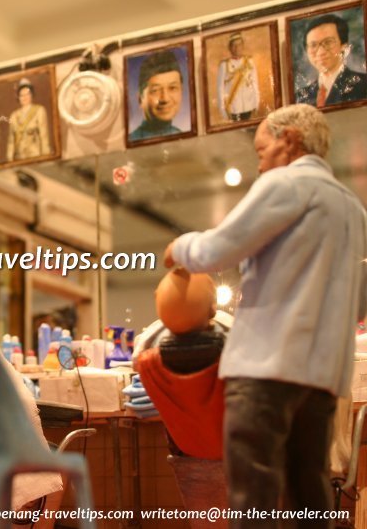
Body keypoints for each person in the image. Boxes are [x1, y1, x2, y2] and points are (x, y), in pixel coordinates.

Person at [163, 104, 367, 527]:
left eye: (261, 149)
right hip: (324, 377)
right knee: (309, 496)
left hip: (268, 368)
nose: (259, 161)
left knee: (252, 495)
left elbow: (218, 249)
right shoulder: (353, 209)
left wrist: (180, 247)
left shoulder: (286, 185)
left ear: (289, 140)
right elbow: (359, 302)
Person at [296, 14, 367, 107]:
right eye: (313, 45)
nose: (321, 52)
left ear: (344, 46)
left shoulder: (363, 84)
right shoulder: (301, 96)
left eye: (328, 42)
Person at [129, 50, 184, 141]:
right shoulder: (133, 140)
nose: (165, 99)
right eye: (155, 90)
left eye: (172, 88)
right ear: (140, 99)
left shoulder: (183, 138)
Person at [217, 32, 260, 122]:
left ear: (243, 46)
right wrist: (222, 108)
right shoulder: (224, 65)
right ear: (230, 48)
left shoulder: (249, 61)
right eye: (234, 45)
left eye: (239, 45)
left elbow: (255, 83)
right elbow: (220, 88)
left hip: (249, 105)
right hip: (234, 107)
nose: (237, 48)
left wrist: (257, 102)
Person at [6, 78, 51, 161]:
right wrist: (10, 160)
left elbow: (44, 136)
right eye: (22, 95)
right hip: (19, 157)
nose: (24, 97)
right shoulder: (14, 115)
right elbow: (11, 141)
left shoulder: (39, 111)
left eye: (27, 94)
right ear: (18, 97)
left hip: (35, 155)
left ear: (32, 95)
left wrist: (46, 157)